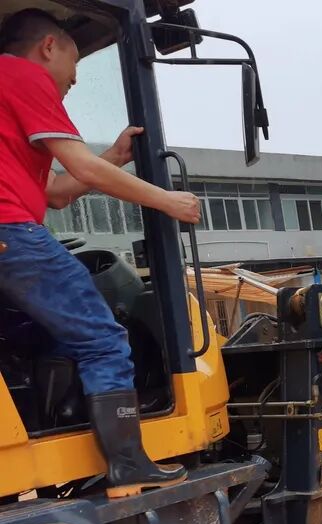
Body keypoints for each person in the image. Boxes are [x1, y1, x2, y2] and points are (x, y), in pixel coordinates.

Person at [0, 10, 202, 495]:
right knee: (104, 338)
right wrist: (166, 200)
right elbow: (82, 169)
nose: (72, 82)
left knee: (37, 334)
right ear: (49, 46)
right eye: (74, 67)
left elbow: (54, 191)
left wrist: (112, 157)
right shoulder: (20, 74)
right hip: (10, 232)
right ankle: (129, 464)